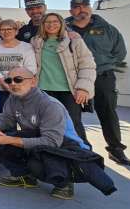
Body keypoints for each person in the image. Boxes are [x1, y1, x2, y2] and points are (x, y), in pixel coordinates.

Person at [0, 67, 94, 200]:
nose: (13, 83)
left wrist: (9, 140)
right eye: (9, 80)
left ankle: (64, 183)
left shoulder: (50, 105)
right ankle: (24, 176)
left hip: (65, 147)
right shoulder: (14, 98)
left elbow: (52, 142)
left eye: (19, 80)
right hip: (37, 137)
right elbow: (6, 118)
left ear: (33, 81)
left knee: (36, 164)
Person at [66, 0, 130, 165]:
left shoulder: (107, 29)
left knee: (108, 113)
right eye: (77, 7)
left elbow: (119, 52)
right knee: (74, 116)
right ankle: (82, 150)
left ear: (90, 8)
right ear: (71, 11)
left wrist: (103, 64)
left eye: (85, 6)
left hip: (102, 76)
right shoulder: (63, 29)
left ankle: (116, 150)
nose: (81, 10)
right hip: (73, 79)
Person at [31, 13, 96, 144]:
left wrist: (83, 88)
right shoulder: (35, 41)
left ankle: (84, 157)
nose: (51, 25)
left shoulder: (74, 40)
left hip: (69, 91)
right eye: (47, 22)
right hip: (44, 91)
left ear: (61, 24)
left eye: (55, 21)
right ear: (42, 25)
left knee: (73, 125)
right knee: (46, 125)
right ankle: (55, 157)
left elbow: (87, 65)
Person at [0, 19, 37, 109]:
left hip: (21, 87)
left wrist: (16, 83)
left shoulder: (26, 47)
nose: (6, 32)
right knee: (2, 117)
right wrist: (5, 84)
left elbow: (31, 68)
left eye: (10, 29)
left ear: (16, 31)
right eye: (3, 29)